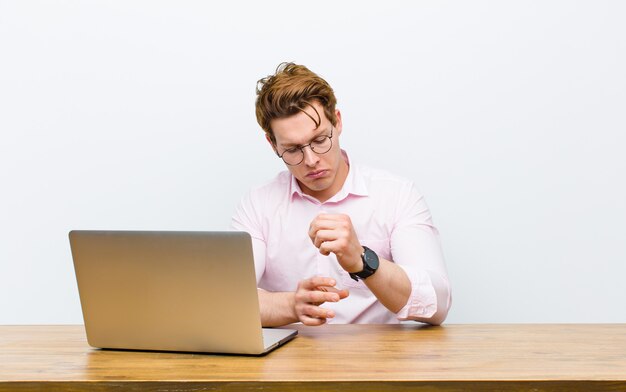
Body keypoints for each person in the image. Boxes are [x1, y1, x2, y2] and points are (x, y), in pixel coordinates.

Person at [231, 62, 451, 327]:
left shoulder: (396, 194)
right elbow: (227, 300)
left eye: (320, 140)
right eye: (292, 150)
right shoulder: (259, 204)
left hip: (379, 363)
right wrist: (292, 305)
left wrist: (363, 261)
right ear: (272, 144)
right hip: (290, 363)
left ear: (338, 121)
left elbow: (437, 305)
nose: (311, 160)